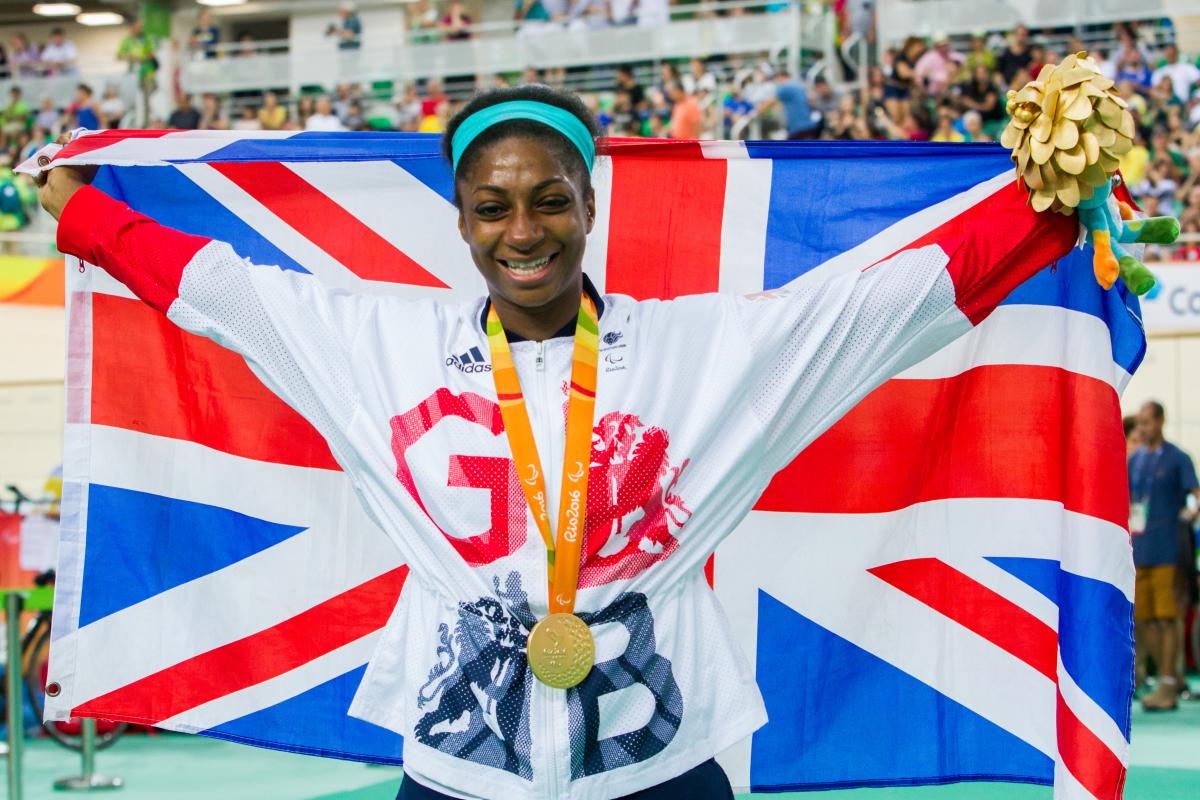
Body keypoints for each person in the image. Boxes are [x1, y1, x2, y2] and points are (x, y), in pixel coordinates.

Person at [34, 83, 1101, 799]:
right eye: (492, 207)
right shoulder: (375, 340)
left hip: (659, 772)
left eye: (550, 199)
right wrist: (79, 214)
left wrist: (1049, 205)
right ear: (459, 219)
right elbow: (215, 291)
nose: (523, 230)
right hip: (460, 776)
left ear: (589, 203)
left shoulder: (706, 349)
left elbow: (892, 305)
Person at [1129, 401, 1200, 711]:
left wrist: (1189, 513)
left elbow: (1195, 497)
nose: (1142, 429)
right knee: (1144, 619)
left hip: (1167, 549)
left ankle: (1169, 682)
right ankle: (1163, 679)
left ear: (1160, 421)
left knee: (1166, 617)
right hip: (1140, 549)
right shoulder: (1135, 461)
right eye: (1139, 424)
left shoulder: (1178, 458)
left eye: (1146, 423)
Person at [117, 20, 158, 126]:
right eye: (137, 26)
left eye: (141, 27)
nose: (140, 29)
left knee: (146, 100)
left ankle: (146, 123)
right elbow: (119, 55)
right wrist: (130, 57)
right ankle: (133, 121)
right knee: (132, 99)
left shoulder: (146, 39)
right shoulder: (127, 41)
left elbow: (152, 54)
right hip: (132, 74)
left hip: (146, 73)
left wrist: (143, 57)